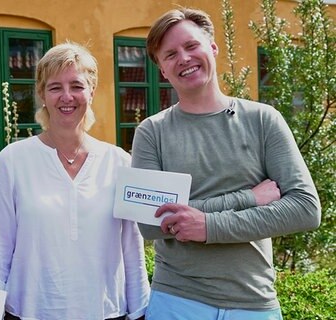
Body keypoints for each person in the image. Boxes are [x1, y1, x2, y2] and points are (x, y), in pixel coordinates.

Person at [131, 7, 322, 320]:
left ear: (213, 48)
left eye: (192, 46)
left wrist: (208, 226)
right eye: (170, 54)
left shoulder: (263, 120)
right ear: (162, 70)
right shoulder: (152, 131)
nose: (184, 58)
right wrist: (249, 198)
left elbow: (305, 209)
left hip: (253, 303)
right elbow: (151, 223)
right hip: (177, 302)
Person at [0, 41, 150, 320]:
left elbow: (132, 250)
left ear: (92, 92)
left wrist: (141, 311)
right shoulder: (13, 160)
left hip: (106, 312)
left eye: (77, 86)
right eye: (55, 87)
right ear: (42, 95)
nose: (66, 96)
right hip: (29, 312)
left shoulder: (119, 162)